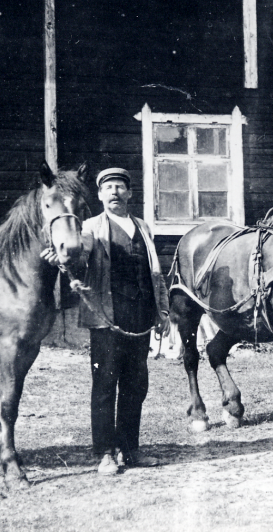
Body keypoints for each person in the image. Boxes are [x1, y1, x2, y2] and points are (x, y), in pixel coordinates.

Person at [78, 167, 170, 474]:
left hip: (140, 316)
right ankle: (106, 452)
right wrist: (68, 255)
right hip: (108, 317)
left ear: (129, 194)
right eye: (109, 188)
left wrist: (162, 311)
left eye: (120, 187)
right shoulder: (91, 227)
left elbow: (154, 272)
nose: (115, 192)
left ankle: (130, 449)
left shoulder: (142, 227)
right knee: (105, 384)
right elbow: (81, 252)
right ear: (100, 195)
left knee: (135, 385)